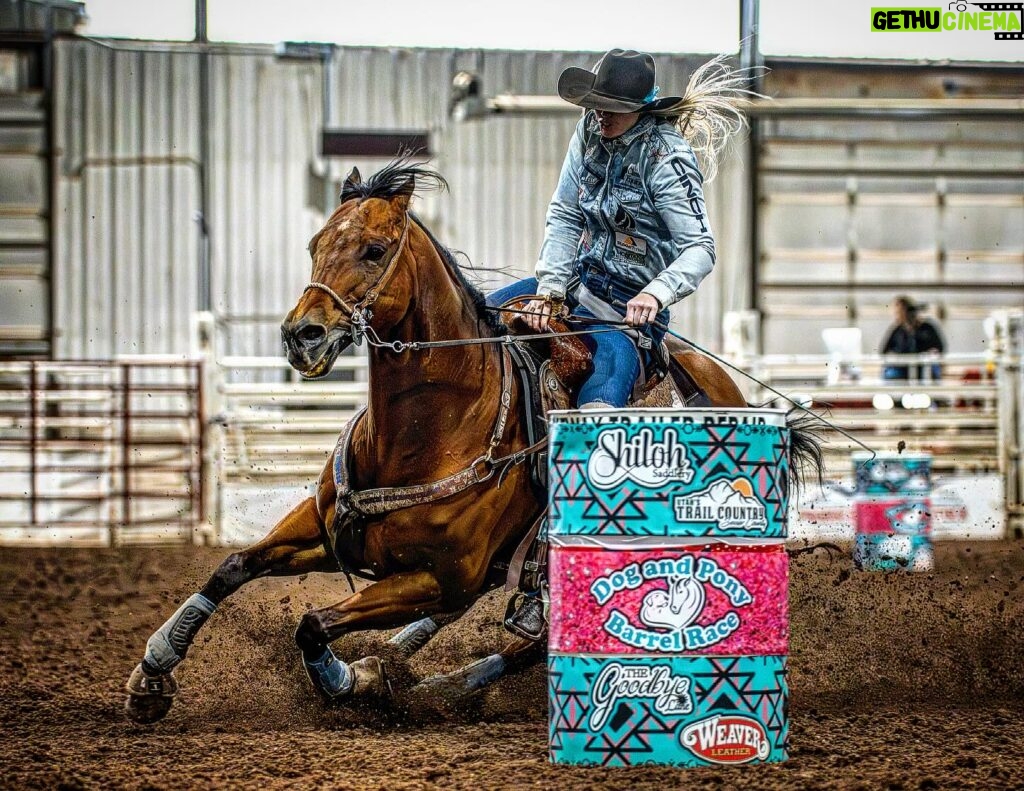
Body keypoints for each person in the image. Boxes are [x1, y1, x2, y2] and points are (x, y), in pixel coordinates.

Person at [489, 48, 756, 640]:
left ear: (638, 109)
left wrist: (656, 294)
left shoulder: (669, 158)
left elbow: (699, 248)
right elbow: (564, 214)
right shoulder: (588, 133)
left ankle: (553, 579)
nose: (600, 116)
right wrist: (550, 289)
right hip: (577, 282)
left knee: (602, 399)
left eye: (610, 109)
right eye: (596, 106)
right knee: (478, 320)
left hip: (627, 313)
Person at [881, 296, 945, 381]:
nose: (898, 315)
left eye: (901, 311)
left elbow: (939, 347)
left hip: (924, 367)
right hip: (902, 368)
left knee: (932, 370)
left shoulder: (927, 328)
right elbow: (884, 350)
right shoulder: (897, 330)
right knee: (889, 373)